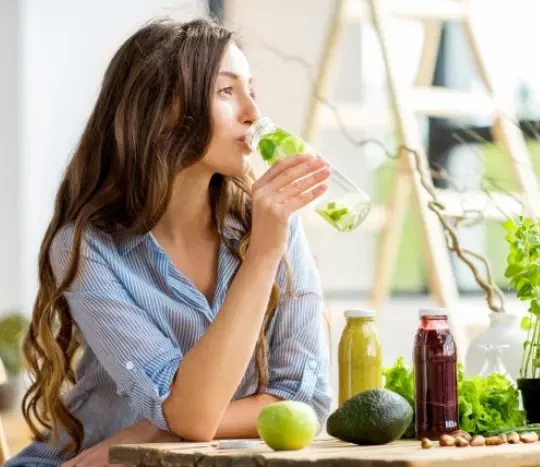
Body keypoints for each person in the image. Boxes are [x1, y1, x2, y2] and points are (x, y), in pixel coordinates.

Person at [6, 15, 332, 467]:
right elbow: (197, 419)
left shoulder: (271, 225)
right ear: (163, 111)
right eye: (226, 91)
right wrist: (261, 260)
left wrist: (152, 430)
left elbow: (302, 405)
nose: (253, 113)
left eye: (251, 91)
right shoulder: (88, 248)